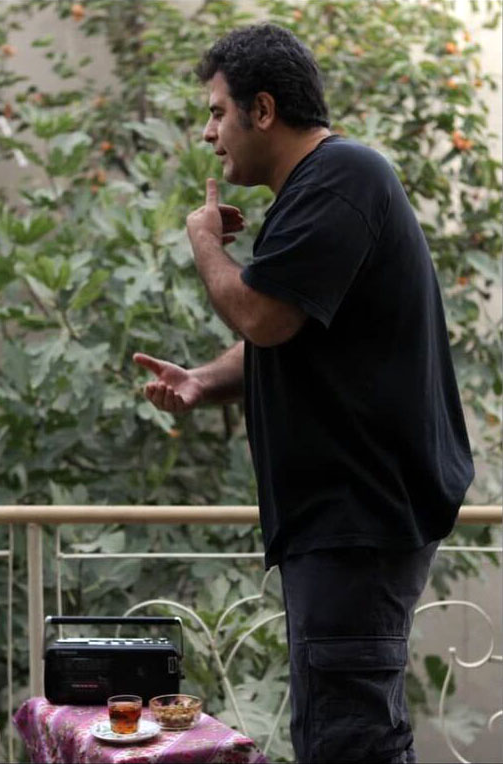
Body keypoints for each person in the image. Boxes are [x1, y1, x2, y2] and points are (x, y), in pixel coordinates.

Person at [133, 24, 473, 764]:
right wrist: (201, 381)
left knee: (347, 741)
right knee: (345, 731)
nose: (208, 133)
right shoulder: (323, 186)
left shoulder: (341, 175)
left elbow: (262, 316)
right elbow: (287, 331)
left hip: (357, 518)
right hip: (346, 522)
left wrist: (204, 242)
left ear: (262, 110)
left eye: (217, 112)